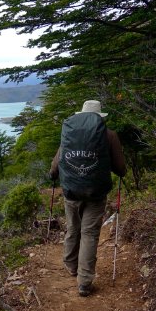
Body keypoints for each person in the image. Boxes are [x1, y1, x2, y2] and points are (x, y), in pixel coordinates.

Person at [48, 100, 126, 297]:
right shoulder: (109, 135)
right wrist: (120, 172)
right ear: (100, 117)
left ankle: (70, 265)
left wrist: (53, 175)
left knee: (73, 228)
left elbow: (57, 162)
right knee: (89, 234)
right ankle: (84, 282)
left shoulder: (70, 134)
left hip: (71, 190)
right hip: (96, 192)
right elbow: (120, 168)